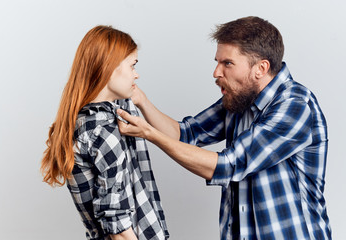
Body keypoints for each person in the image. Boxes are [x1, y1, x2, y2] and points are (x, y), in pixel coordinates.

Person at [116, 16, 332, 239]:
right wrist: (140, 99)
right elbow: (185, 134)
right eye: (217, 62)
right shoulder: (240, 99)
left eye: (227, 63)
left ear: (261, 68)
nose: (216, 72)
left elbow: (229, 166)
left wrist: (150, 135)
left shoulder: (295, 105)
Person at [40, 26, 169, 240]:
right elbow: (119, 230)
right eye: (132, 65)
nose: (136, 74)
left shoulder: (83, 121)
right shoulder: (104, 131)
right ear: (109, 68)